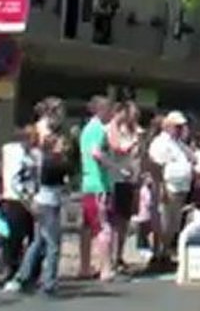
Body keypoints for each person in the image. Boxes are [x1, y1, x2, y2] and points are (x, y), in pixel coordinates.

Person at [3, 131, 71, 296]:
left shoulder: (40, 160)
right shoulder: (53, 162)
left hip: (42, 202)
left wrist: (30, 197)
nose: (64, 146)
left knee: (38, 242)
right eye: (60, 143)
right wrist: (28, 197)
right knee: (53, 244)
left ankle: (22, 276)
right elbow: (62, 183)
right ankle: (49, 282)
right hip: (48, 204)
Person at [79, 96, 127, 281]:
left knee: (87, 228)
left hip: (88, 183)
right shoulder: (97, 129)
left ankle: (85, 266)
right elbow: (96, 153)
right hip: (98, 184)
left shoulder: (87, 129)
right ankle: (106, 269)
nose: (111, 114)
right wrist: (116, 167)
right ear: (100, 110)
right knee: (103, 226)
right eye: (109, 110)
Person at [148, 111, 194, 267]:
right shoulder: (160, 143)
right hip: (168, 187)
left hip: (181, 187)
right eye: (177, 126)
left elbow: (192, 158)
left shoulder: (179, 144)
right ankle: (157, 253)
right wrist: (160, 187)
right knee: (163, 222)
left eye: (182, 126)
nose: (180, 129)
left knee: (173, 224)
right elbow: (156, 167)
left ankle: (165, 253)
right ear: (167, 126)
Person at [0, 126, 38, 282]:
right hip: (15, 198)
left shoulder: (35, 154)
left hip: (32, 198)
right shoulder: (12, 151)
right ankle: (11, 270)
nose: (34, 141)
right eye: (30, 138)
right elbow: (14, 178)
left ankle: (32, 272)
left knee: (33, 237)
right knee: (14, 237)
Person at [106, 101, 141, 273]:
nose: (132, 118)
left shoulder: (132, 131)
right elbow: (117, 148)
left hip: (130, 180)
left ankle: (119, 255)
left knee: (125, 222)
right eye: (131, 114)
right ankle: (110, 258)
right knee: (114, 221)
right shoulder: (112, 128)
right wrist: (132, 145)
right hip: (116, 179)